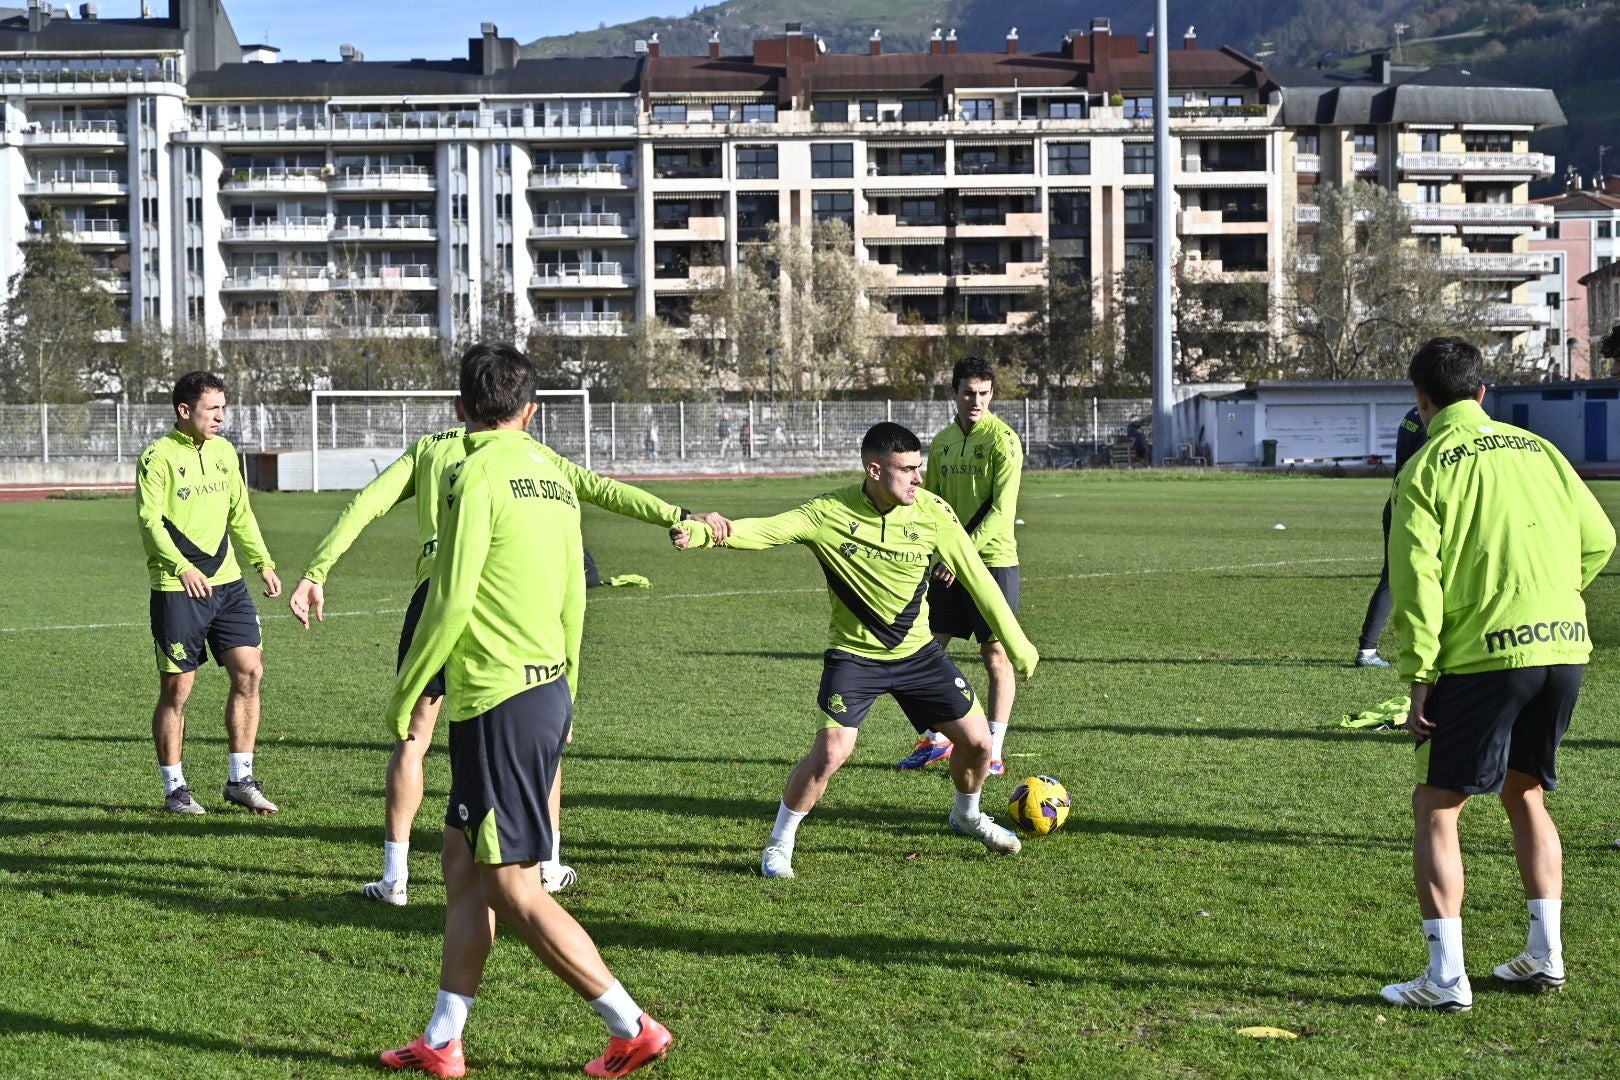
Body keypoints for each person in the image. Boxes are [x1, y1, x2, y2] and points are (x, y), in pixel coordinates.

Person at [291, 400, 729, 906]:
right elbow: (605, 489)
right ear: (524, 409)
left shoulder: (429, 449)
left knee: (414, 738)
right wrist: (679, 514)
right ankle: (549, 866)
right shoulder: (532, 456)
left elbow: (365, 504)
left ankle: (395, 878)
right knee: (539, 738)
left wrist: (317, 570)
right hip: (503, 601)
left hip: (436, 597)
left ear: (463, 406)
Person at [379, 344, 673, 1078]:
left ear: (459, 410)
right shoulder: (556, 477)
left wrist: (408, 687)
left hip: (495, 699)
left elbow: (450, 595)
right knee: (461, 865)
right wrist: (567, 685)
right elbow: (575, 594)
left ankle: (632, 1026)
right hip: (542, 690)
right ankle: (443, 1039)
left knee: (513, 885)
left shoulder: (471, 471)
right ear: (532, 411)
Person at [672, 422, 1039, 880]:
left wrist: (1018, 644)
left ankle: (967, 815)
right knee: (831, 752)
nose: (918, 479)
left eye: (919, 468)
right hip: (854, 656)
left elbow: (977, 577)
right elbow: (768, 531)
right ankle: (779, 844)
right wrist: (705, 533)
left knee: (980, 743)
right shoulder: (830, 512)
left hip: (919, 655)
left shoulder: (932, 512)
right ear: (875, 470)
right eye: (907, 470)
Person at [1379, 337, 1614, 1012]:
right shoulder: (1541, 450)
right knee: (1526, 792)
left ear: (1421, 400)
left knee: (1437, 805)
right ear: (1484, 393)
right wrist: (1552, 598)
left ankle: (1445, 979)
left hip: (1486, 656)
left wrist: (1419, 675)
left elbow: (1415, 582)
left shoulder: (1425, 468)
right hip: (1563, 647)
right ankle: (1546, 954)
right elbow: (1600, 539)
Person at [136, 370, 282, 815]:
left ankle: (241, 779)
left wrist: (263, 562)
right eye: (212, 408)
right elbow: (150, 522)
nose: (221, 416)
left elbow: (241, 512)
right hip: (178, 587)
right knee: (179, 689)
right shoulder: (157, 457)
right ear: (185, 410)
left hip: (228, 583)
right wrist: (181, 568)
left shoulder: (224, 452)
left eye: (223, 407)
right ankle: (175, 790)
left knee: (249, 671)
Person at [898, 356, 1024, 774]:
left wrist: (960, 556)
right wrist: (927, 551)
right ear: (953, 392)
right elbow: (928, 502)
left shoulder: (1004, 441)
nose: (976, 401)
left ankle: (993, 751)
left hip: (993, 562)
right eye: (968, 392)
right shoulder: (943, 442)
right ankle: (937, 740)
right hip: (946, 564)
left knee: (995, 656)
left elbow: (1002, 512)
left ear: (992, 394)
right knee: (925, 651)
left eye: (984, 393)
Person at [1354, 407, 1428, 667]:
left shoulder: (1412, 414)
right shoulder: (1432, 420)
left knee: (1392, 578)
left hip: (1397, 502)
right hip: (1417, 506)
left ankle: (1368, 648)